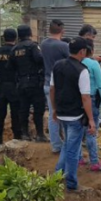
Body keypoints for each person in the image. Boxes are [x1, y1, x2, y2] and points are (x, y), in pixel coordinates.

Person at [49, 37, 96, 193]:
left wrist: (54, 109)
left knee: (67, 145)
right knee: (72, 150)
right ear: (82, 51)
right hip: (75, 115)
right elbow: (85, 97)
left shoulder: (57, 66)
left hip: (62, 113)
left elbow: (52, 90)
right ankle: (71, 184)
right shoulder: (82, 70)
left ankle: (57, 175)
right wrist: (91, 120)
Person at [11, 25, 47, 142]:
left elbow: (10, 66)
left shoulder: (14, 49)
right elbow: (39, 59)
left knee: (23, 109)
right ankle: (40, 134)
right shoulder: (33, 46)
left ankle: (25, 134)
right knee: (38, 109)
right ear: (30, 33)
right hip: (34, 82)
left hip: (21, 83)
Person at [0, 28, 23, 146]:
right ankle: (17, 139)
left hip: (1, 86)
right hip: (15, 87)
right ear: (16, 38)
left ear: (3, 38)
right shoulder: (18, 52)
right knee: (16, 114)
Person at [80, 43, 101, 173]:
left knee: (79, 131)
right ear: (91, 51)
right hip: (91, 99)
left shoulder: (77, 62)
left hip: (78, 100)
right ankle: (94, 162)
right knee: (92, 132)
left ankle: (79, 158)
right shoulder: (93, 65)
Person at [41, 20, 70, 152]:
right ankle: (68, 144)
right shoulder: (63, 46)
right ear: (62, 31)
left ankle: (56, 145)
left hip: (47, 83)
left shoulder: (44, 44)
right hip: (61, 85)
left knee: (53, 115)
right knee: (65, 115)